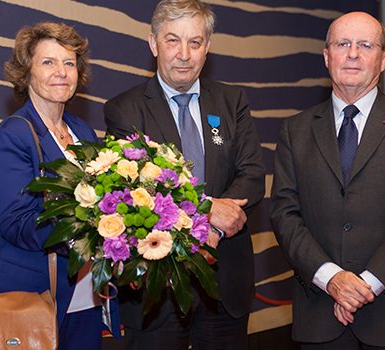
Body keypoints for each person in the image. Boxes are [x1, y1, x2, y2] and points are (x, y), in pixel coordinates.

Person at [270, 11, 385, 349]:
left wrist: (366, 283)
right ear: (327, 57)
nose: (352, 53)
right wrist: (332, 278)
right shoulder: (294, 130)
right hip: (320, 314)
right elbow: (284, 214)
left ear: (383, 60)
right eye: (343, 44)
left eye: (365, 45)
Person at [104, 0, 265, 348]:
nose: (184, 54)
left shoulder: (232, 102)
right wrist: (206, 213)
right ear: (153, 44)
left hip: (224, 286)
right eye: (172, 40)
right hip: (154, 289)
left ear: (207, 47)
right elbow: (133, 193)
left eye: (195, 42)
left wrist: (215, 226)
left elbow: (252, 175)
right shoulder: (124, 109)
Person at [0, 22, 118, 349]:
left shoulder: (84, 132)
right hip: (35, 299)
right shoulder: (13, 135)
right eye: (48, 62)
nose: (61, 72)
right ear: (25, 71)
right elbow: (18, 223)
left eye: (69, 63)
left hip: (85, 297)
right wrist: (86, 232)